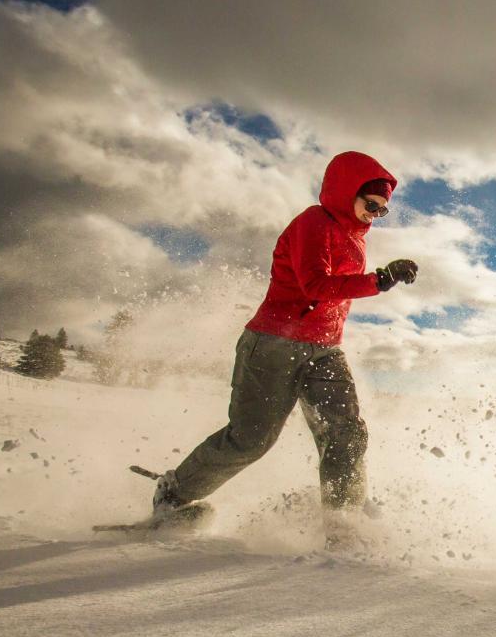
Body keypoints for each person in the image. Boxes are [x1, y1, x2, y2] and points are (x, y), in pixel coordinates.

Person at [150, 150, 418, 528]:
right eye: (370, 204)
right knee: (251, 439)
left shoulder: (354, 237)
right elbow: (315, 284)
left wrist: (376, 280)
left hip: (325, 349)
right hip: (274, 342)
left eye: (382, 210)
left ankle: (345, 521)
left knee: (345, 432)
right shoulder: (314, 222)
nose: (374, 214)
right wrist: (379, 280)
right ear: (346, 192)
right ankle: (173, 495)